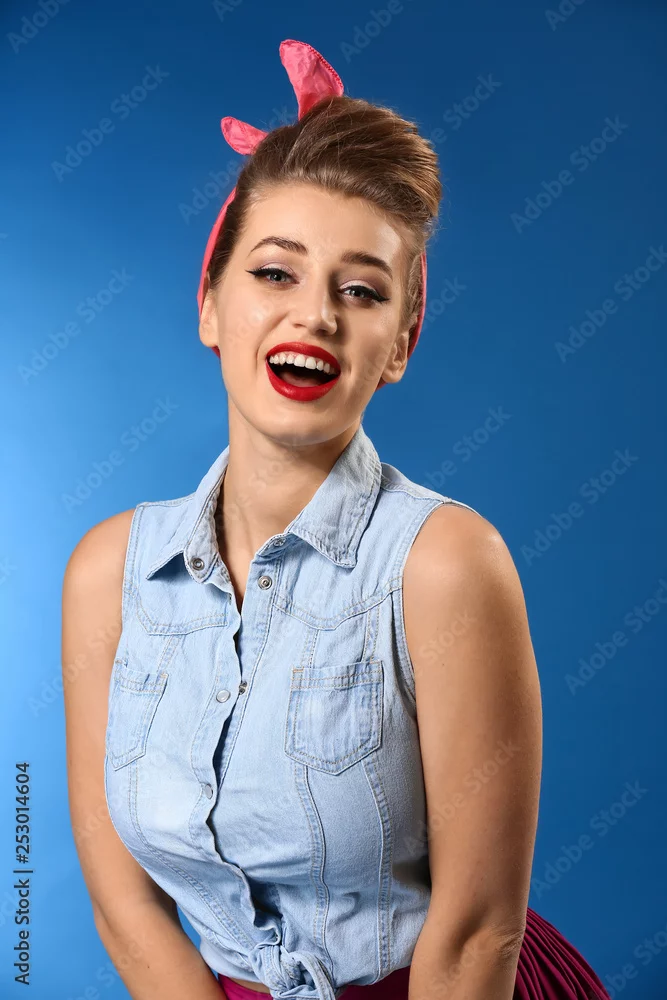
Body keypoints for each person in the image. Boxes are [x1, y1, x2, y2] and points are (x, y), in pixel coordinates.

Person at [62, 39, 610, 1000]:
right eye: (275, 273)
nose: (315, 315)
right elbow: (124, 907)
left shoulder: (446, 563)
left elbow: (475, 935)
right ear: (210, 304)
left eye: (360, 291)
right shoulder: (109, 573)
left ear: (399, 343)